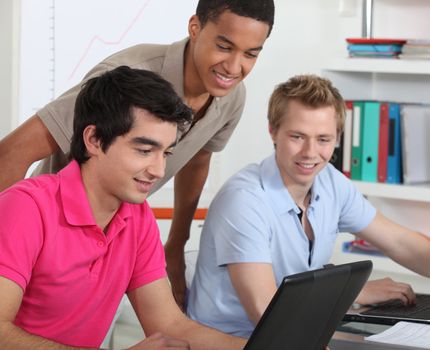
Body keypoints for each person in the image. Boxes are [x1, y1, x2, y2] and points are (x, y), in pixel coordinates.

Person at [187, 74, 430, 337]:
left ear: (337, 139)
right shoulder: (245, 201)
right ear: (273, 131)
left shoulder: (330, 182)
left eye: (323, 139)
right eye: (297, 136)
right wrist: (355, 293)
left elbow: (402, 243)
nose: (310, 153)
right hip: (234, 340)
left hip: (300, 333)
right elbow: (264, 310)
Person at [0, 0, 275, 307]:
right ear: (195, 28)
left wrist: (175, 245)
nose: (235, 67)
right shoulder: (126, 77)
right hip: (48, 239)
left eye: (251, 54)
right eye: (224, 46)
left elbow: (198, 159)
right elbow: (10, 154)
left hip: (113, 242)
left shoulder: (232, 96)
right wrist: (12, 244)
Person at [0, 66, 246, 349]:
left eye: (165, 153)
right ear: (93, 140)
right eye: (144, 151)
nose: (158, 170)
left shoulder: (137, 217)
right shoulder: (25, 208)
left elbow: (170, 326)